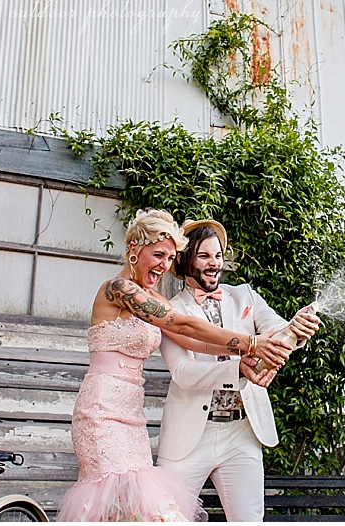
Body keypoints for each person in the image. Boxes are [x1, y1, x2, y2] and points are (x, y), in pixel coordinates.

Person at [56, 209, 292, 522]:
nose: (164, 265)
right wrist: (249, 342)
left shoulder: (155, 298)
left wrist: (242, 357)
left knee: (143, 508)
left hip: (132, 414)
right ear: (134, 250)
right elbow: (182, 325)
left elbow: (194, 340)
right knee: (114, 504)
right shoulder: (117, 289)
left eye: (170, 258)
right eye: (158, 255)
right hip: (101, 411)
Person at [156, 220, 320, 522]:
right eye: (204, 256)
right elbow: (182, 372)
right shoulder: (169, 311)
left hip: (242, 432)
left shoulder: (245, 296)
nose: (214, 264)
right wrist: (239, 370)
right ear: (184, 259)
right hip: (189, 435)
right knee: (164, 517)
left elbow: (275, 331)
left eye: (218, 255)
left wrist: (295, 328)